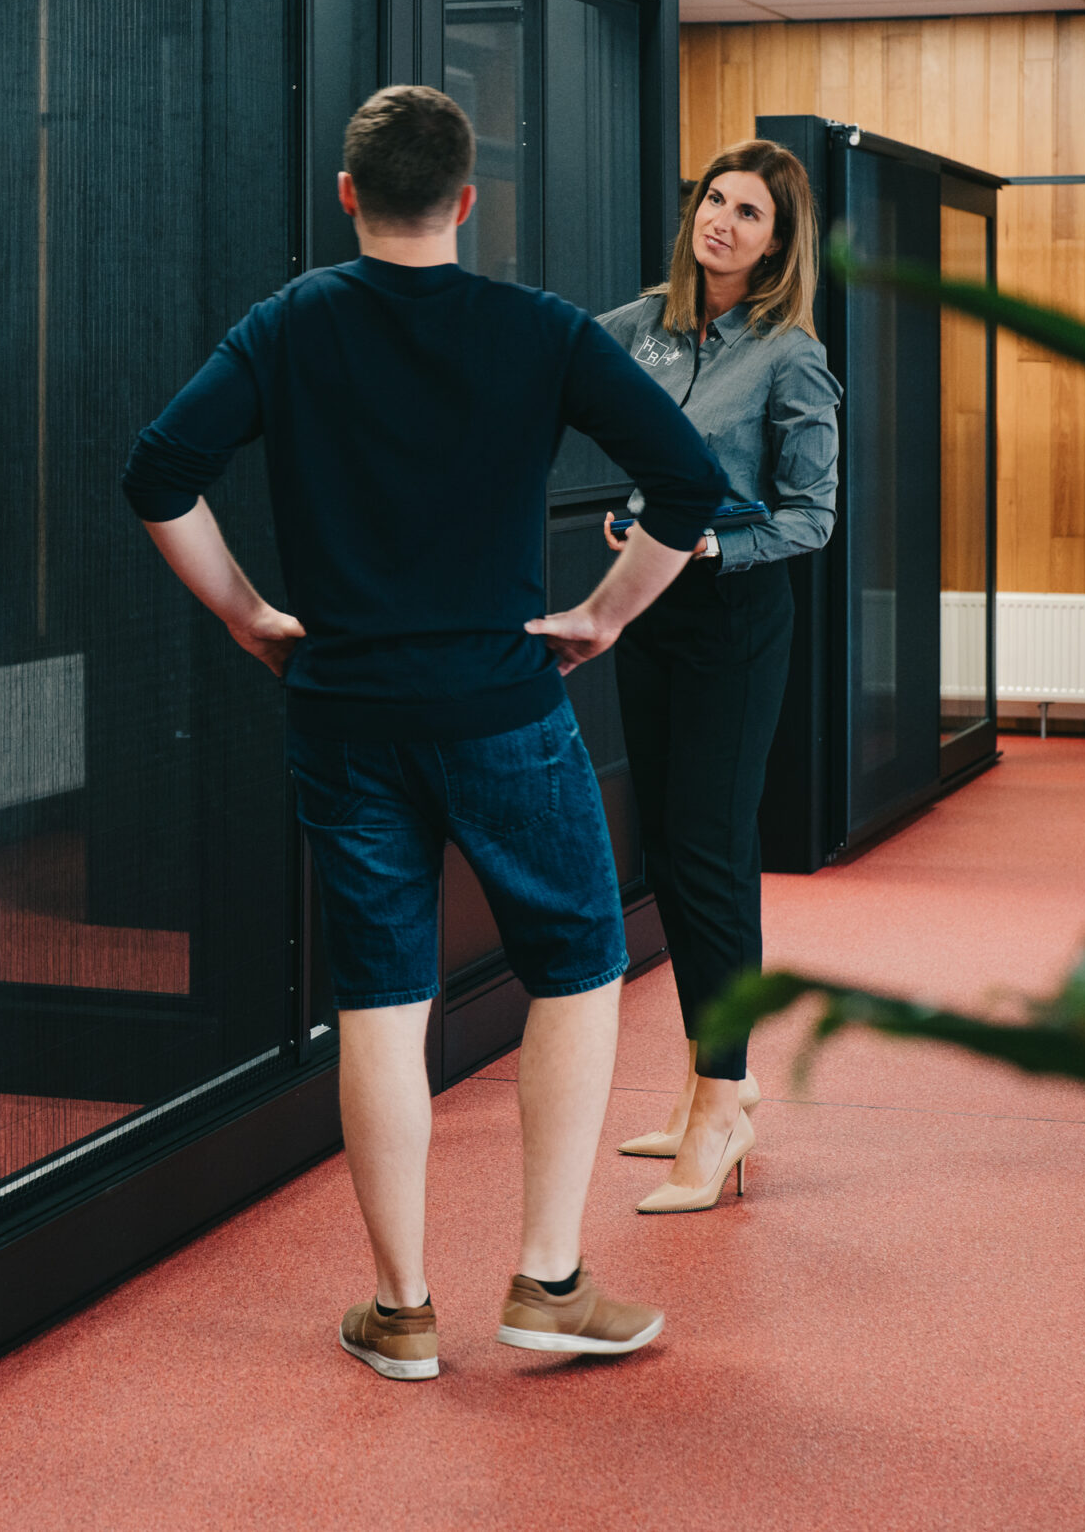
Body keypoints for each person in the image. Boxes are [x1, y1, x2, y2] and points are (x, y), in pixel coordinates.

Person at [119, 85, 730, 1381]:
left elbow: (158, 472)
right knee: (573, 969)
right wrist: (607, 615)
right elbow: (686, 483)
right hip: (503, 707)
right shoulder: (539, 332)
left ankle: (400, 1310)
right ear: (466, 201)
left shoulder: (288, 327)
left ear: (349, 194)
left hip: (342, 714)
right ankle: (548, 1283)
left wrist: (245, 614)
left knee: (384, 1003)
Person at [596, 138, 840, 1214]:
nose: (723, 222)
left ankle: (723, 1101)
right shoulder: (641, 325)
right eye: (714, 199)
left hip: (734, 624)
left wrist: (707, 546)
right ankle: (707, 1088)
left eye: (750, 213)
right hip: (649, 616)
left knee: (709, 858)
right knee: (672, 849)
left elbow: (812, 517)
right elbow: (557, 369)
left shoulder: (789, 355)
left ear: (779, 242)